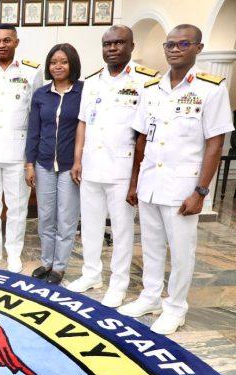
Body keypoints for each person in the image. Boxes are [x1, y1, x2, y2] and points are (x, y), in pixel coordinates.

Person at [119, 24, 232, 334]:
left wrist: (201, 191)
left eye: (183, 44)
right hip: (150, 183)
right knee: (151, 245)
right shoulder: (151, 88)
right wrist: (135, 183)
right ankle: (151, 296)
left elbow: (215, 144)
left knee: (181, 251)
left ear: (198, 48)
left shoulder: (211, 89)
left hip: (183, 186)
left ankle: (176, 307)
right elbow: (142, 139)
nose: (174, 49)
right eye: (170, 44)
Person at [67, 26, 159, 307]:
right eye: (107, 44)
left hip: (122, 169)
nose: (112, 48)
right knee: (90, 226)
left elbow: (144, 133)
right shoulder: (92, 81)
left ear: (132, 46)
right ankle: (91, 274)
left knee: (121, 230)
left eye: (119, 43)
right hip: (91, 166)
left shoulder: (146, 81)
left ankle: (118, 284)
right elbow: (83, 122)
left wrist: (136, 177)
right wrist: (77, 159)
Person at [0, 24, 43, 272]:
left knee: (17, 206)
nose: (1, 45)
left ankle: (13, 251)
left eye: (7, 40)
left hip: (18, 152)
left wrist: (30, 158)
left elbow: (36, 115)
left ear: (16, 42)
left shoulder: (32, 72)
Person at [24, 43, 83, 284]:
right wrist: (29, 164)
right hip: (44, 164)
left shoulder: (82, 92)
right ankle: (46, 262)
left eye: (63, 62)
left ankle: (59, 268)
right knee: (46, 218)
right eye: (53, 62)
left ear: (72, 64)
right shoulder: (41, 94)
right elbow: (33, 132)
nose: (58, 66)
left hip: (70, 167)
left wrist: (80, 160)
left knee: (66, 220)